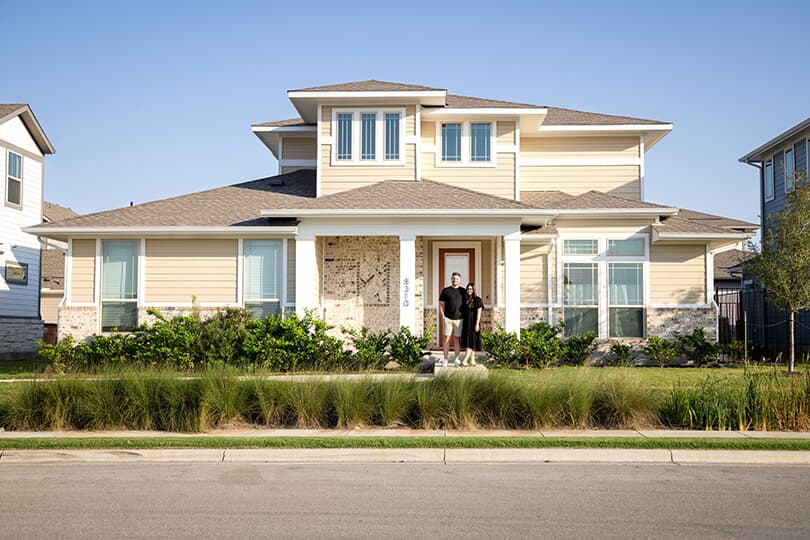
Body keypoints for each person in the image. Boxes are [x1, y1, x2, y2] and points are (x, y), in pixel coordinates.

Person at [438, 271, 465, 367]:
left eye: (457, 279)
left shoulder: (463, 291)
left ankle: (456, 359)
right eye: (453, 278)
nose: (455, 280)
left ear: (459, 280)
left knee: (457, 339)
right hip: (448, 319)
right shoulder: (446, 290)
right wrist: (443, 316)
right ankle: (445, 359)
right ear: (451, 279)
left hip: (459, 319)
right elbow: (441, 304)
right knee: (446, 339)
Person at [459, 283, 484, 366]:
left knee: (471, 342)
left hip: (474, 323)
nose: (469, 290)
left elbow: (479, 313)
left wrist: (477, 324)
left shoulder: (478, 300)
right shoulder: (465, 300)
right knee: (470, 342)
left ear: (473, 290)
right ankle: (472, 360)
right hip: (466, 323)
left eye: (471, 289)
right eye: (468, 289)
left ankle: (465, 360)